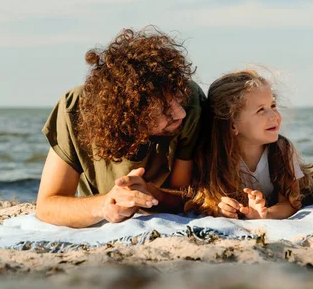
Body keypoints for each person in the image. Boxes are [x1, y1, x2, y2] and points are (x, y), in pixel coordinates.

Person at [36, 27, 206, 228]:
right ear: (130, 115)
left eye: (177, 98)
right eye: (165, 110)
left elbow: (188, 197)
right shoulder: (75, 109)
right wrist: (106, 205)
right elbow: (48, 205)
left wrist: (150, 195)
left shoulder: (191, 101)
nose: (180, 113)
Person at [186, 70, 313, 219]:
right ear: (233, 124)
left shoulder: (282, 149)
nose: (274, 116)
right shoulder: (213, 158)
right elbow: (204, 201)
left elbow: (291, 204)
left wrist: (266, 215)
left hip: (311, 185)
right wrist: (219, 209)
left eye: (273, 106)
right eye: (261, 110)